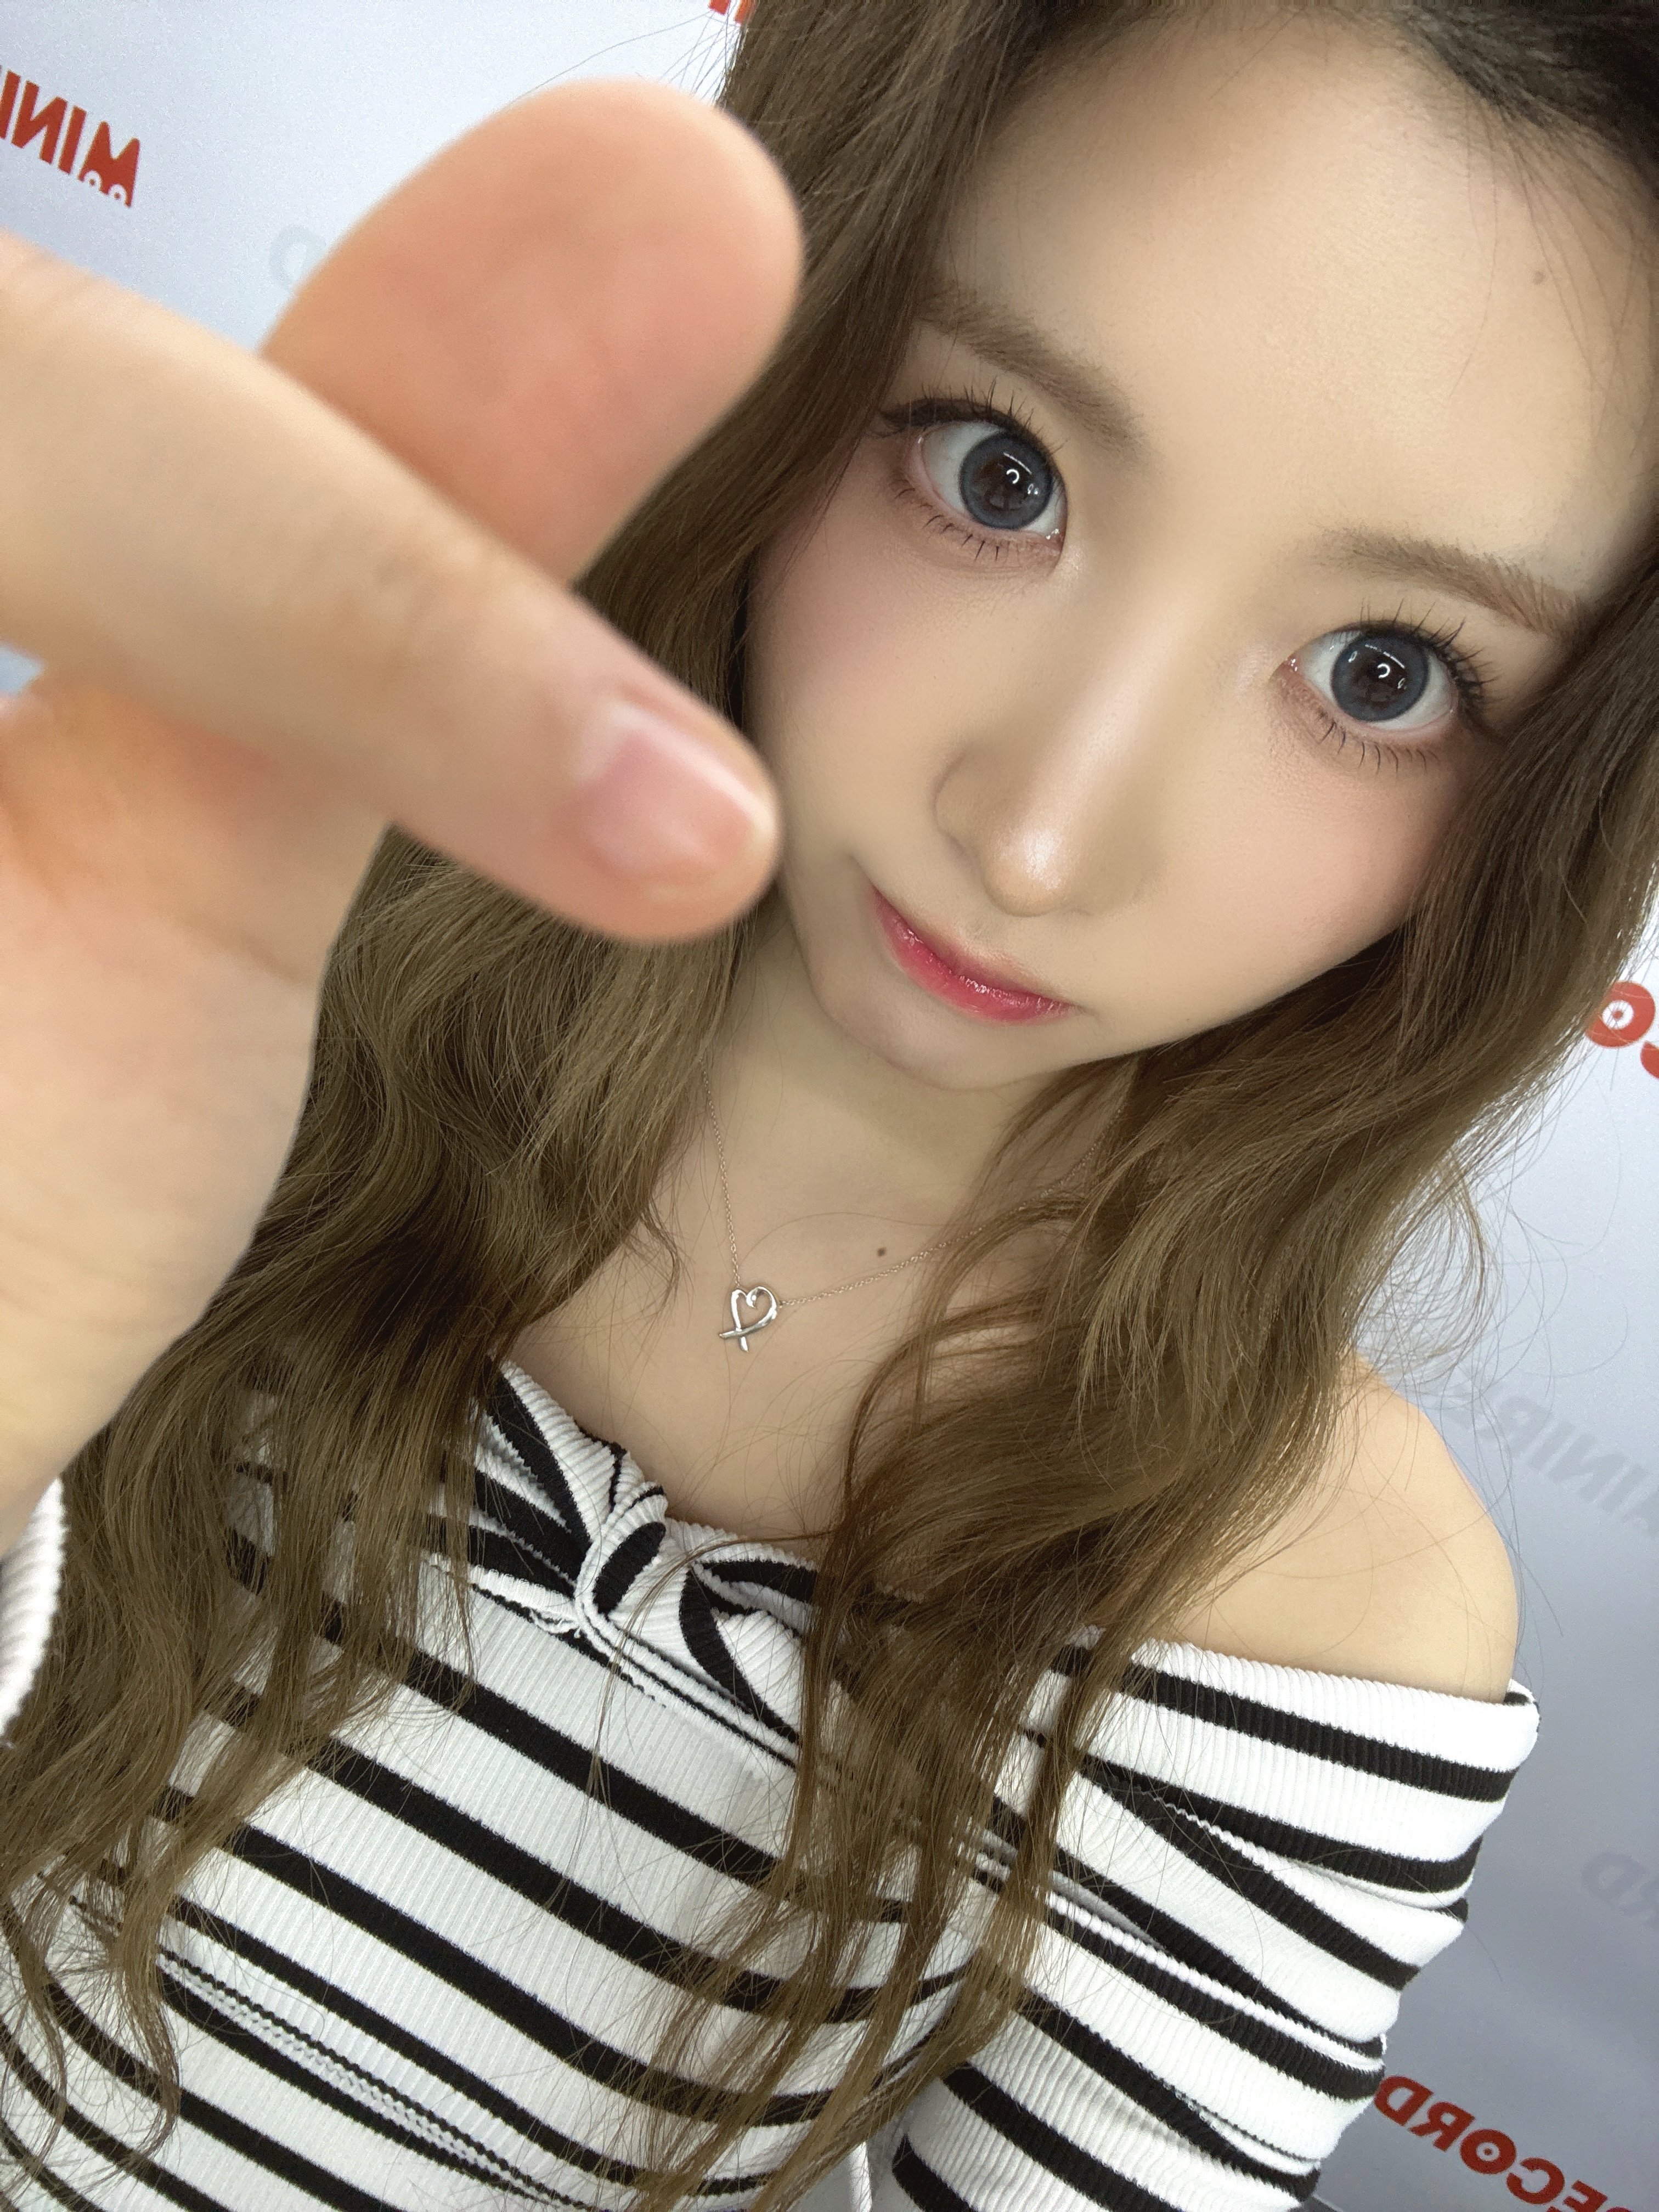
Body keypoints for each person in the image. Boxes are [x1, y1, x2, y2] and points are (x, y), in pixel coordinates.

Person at [0, 0, 1653, 2204]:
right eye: (999, 473)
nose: (1043, 835)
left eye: (1384, 675)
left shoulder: (1299, 1597)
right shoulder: (194, 1001)